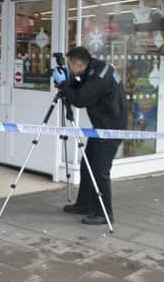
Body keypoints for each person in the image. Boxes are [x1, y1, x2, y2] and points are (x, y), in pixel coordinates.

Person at [51, 46, 128, 225]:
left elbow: (80, 99)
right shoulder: (95, 68)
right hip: (101, 127)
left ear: (79, 64)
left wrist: (64, 84)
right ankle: (84, 204)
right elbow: (83, 87)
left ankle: (104, 213)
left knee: (100, 170)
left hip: (110, 129)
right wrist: (70, 82)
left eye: (70, 66)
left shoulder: (98, 77)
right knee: (87, 165)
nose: (70, 69)